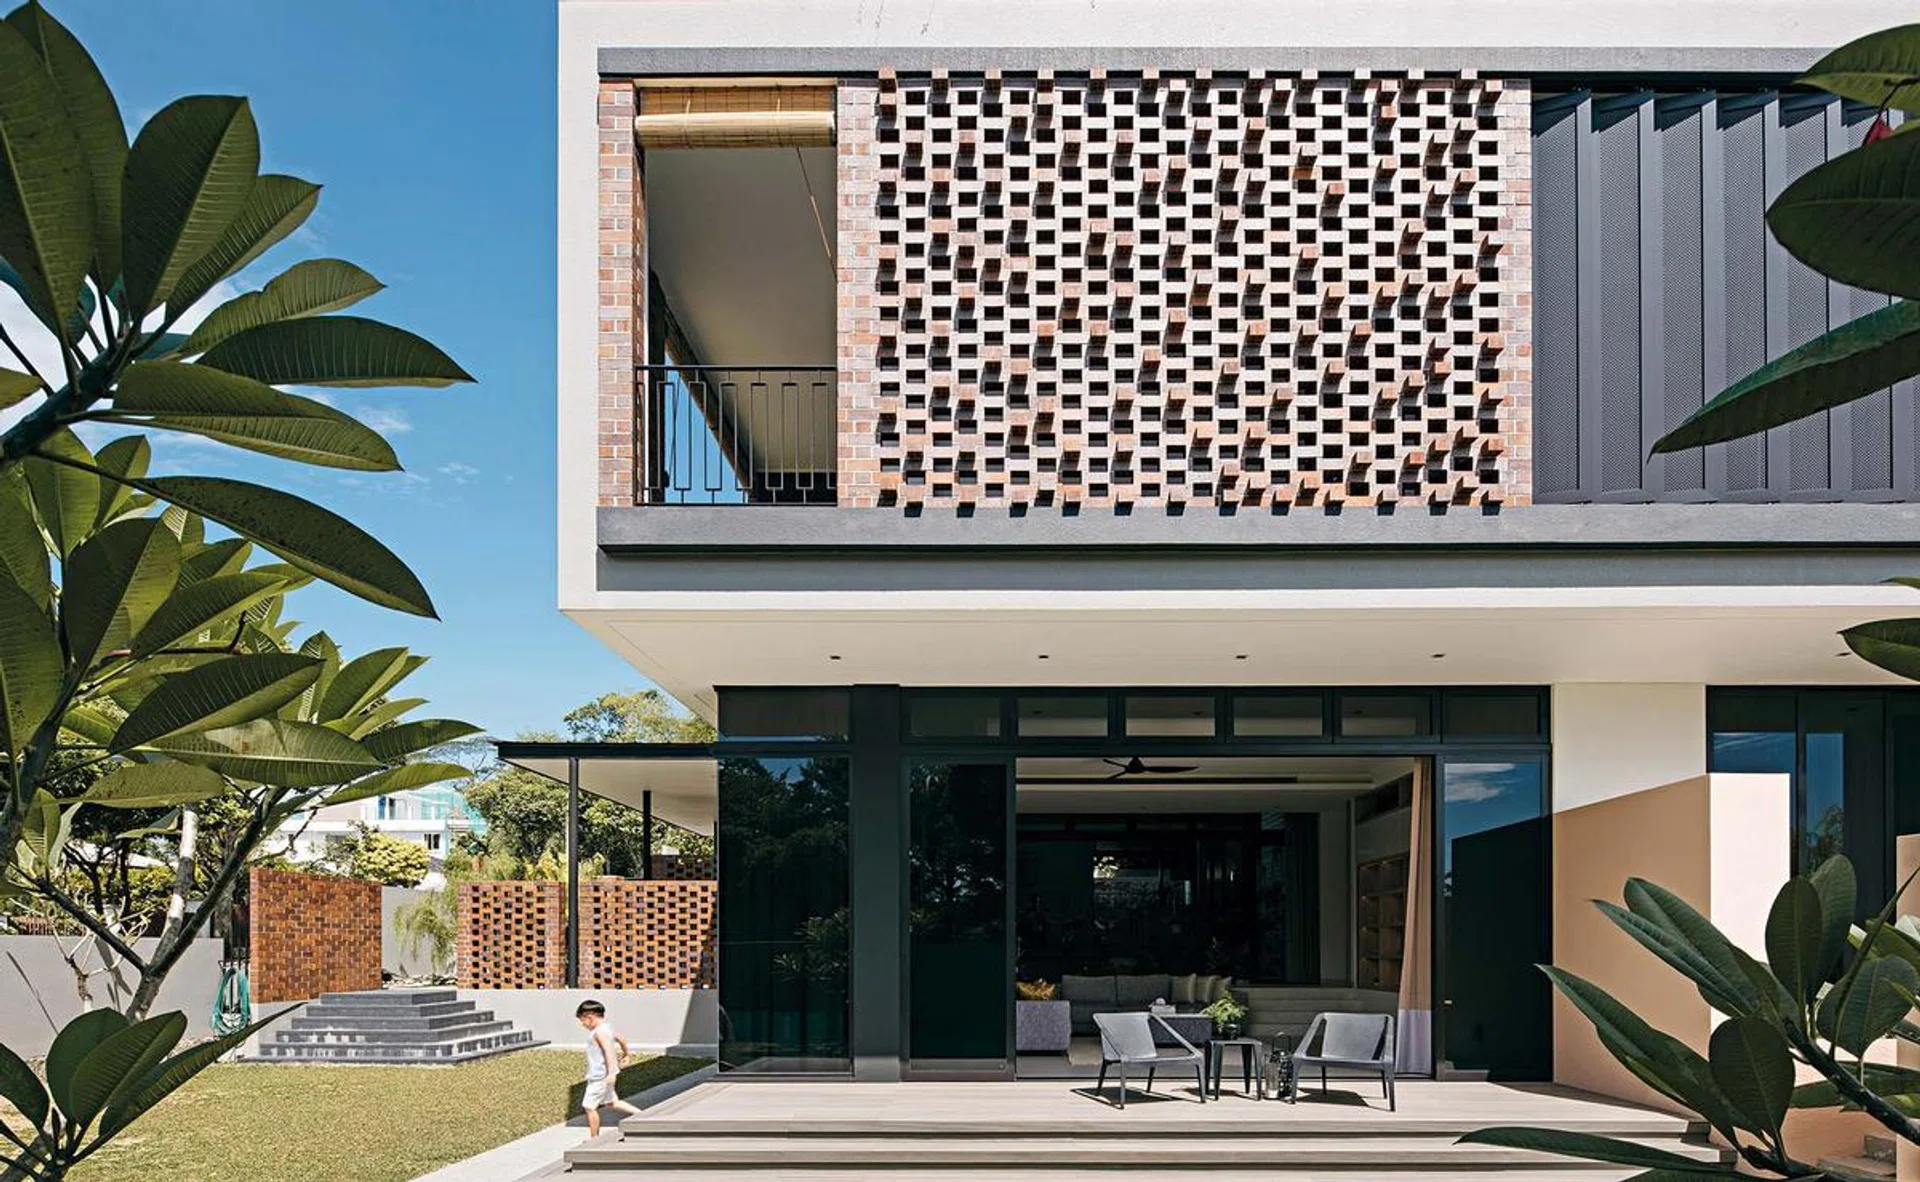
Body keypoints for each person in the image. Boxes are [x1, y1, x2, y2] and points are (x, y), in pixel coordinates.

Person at [576, 999, 642, 1136]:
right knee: (612, 1102)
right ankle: (642, 1115)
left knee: (589, 1107)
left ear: (590, 1017)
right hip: (604, 1076)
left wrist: (611, 1073)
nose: (582, 1025)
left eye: (582, 1021)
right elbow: (622, 1039)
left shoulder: (598, 1032)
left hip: (599, 1076)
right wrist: (626, 1054)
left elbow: (608, 1052)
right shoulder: (607, 1028)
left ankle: (594, 1139)